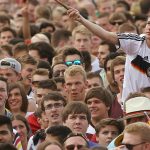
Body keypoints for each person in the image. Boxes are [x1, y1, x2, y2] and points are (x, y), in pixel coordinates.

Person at [67, 6, 150, 103]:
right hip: (132, 106)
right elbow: (106, 35)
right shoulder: (136, 42)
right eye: (148, 23)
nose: (149, 27)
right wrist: (81, 19)